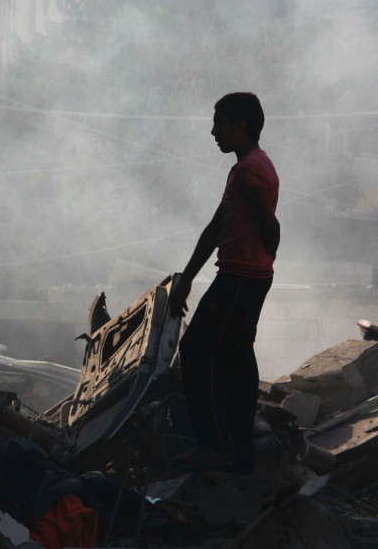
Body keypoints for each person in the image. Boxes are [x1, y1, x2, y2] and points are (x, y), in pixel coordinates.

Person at [168, 92, 280, 473]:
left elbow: (270, 227)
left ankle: (215, 445)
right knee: (237, 357)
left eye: (220, 123)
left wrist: (263, 254)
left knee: (197, 351)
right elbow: (217, 226)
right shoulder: (249, 167)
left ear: (241, 125)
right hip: (245, 277)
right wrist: (187, 277)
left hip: (239, 278)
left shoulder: (249, 170)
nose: (214, 131)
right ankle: (241, 446)